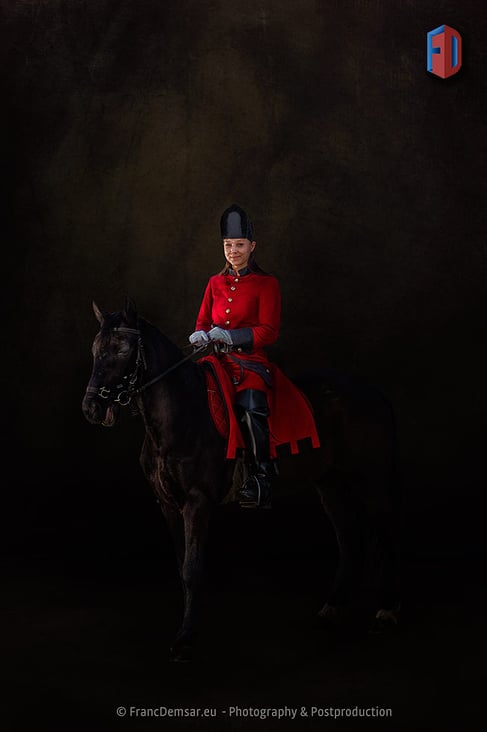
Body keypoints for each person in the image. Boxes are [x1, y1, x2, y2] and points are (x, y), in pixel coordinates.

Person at [189, 203, 319, 508]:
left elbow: (269, 332)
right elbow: (203, 322)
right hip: (217, 361)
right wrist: (201, 335)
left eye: (239, 245)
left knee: (250, 405)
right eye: (228, 245)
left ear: (252, 247)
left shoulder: (267, 284)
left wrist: (232, 336)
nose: (233, 251)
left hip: (250, 364)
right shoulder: (214, 283)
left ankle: (261, 476)